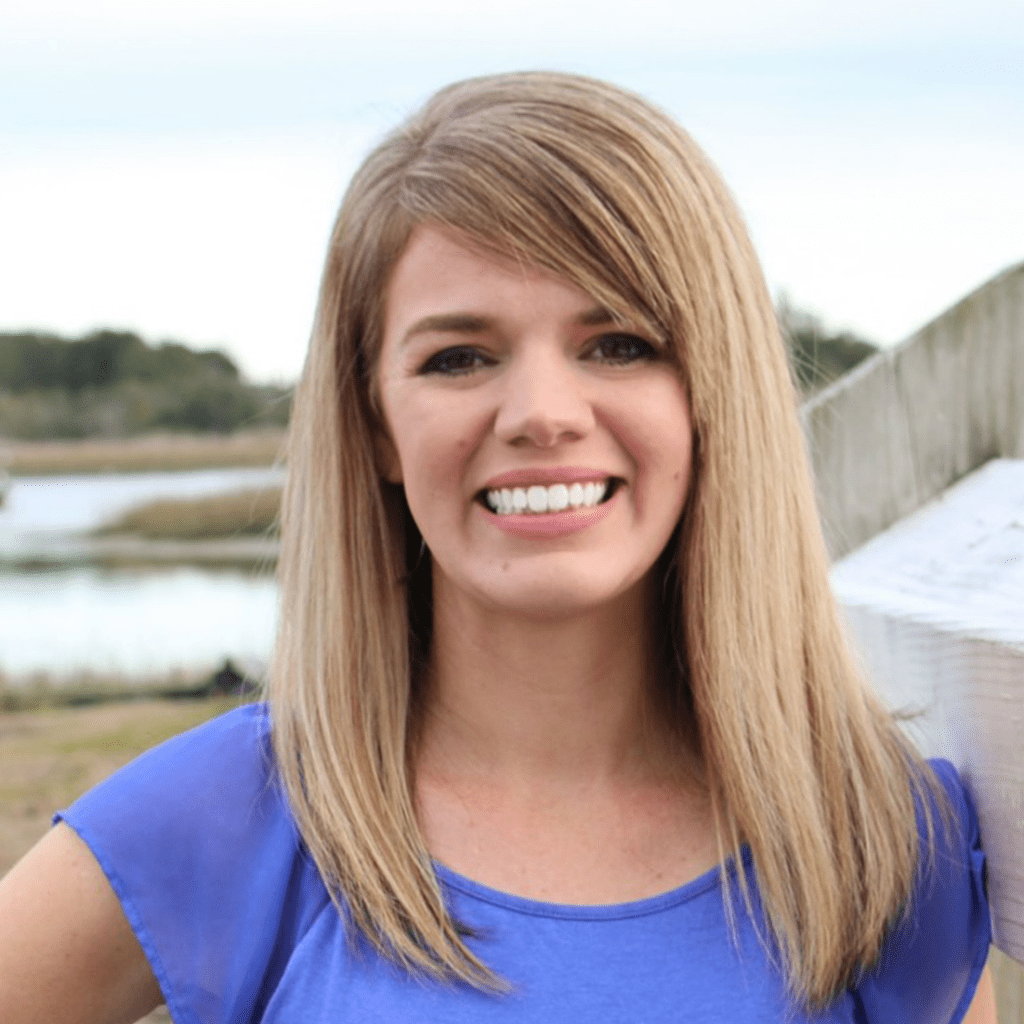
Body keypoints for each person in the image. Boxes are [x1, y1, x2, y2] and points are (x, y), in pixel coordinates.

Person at [0, 71, 995, 1023]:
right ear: (377, 424)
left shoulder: (879, 842)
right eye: (459, 357)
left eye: (619, 343)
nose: (541, 415)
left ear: (710, 396)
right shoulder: (229, 820)